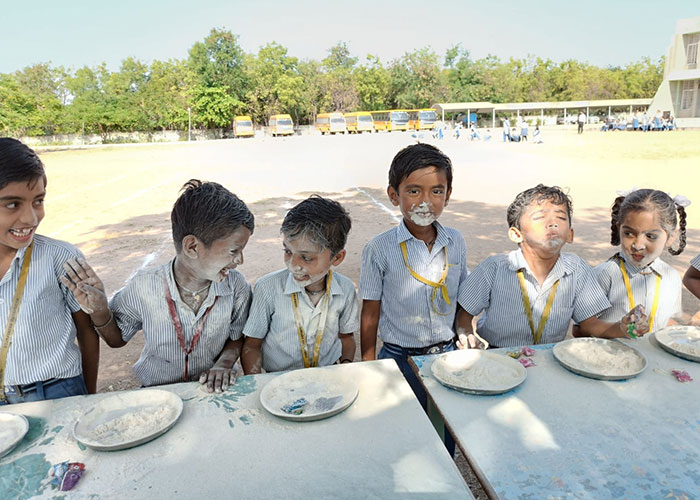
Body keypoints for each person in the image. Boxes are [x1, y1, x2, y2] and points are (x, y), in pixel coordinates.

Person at [62, 180, 253, 392]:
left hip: (212, 390)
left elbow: (238, 338)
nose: (239, 261)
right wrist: (99, 311)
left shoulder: (236, 287)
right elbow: (116, 339)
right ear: (192, 246)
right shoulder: (144, 286)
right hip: (158, 392)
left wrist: (224, 364)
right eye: (233, 251)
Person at [456, 184, 648, 350]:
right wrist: (467, 336)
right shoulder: (494, 268)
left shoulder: (577, 270)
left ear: (570, 235)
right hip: (499, 355)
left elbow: (589, 325)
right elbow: (463, 316)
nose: (552, 223)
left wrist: (621, 328)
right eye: (540, 217)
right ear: (516, 234)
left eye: (561, 218)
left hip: (550, 357)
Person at [359, 143, 469, 407]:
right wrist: (368, 363)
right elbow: (370, 311)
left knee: (446, 422)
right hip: (398, 357)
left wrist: (466, 331)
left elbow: (463, 297)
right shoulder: (378, 248)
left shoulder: (455, 241)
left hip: (447, 354)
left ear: (448, 194)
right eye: (413, 191)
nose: (425, 201)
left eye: (436, 191)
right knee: (404, 423)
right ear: (394, 195)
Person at [0, 138, 99, 405]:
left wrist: (88, 395)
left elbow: (87, 331)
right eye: (12, 204)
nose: (31, 218)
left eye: (38, 201)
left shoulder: (61, 258)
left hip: (58, 391)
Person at [241, 196, 357, 373]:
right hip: (277, 378)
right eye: (288, 251)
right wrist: (257, 382)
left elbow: (346, 337)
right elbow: (252, 344)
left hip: (326, 375)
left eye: (307, 257)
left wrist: (347, 366)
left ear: (337, 257)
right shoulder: (267, 288)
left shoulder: (346, 290)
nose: (293, 264)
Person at [590, 189, 688, 331]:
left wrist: (688, 326)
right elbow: (580, 329)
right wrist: (620, 329)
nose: (638, 245)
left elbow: (665, 321)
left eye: (651, 236)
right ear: (619, 229)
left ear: (671, 237)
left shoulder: (671, 277)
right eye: (629, 233)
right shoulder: (603, 275)